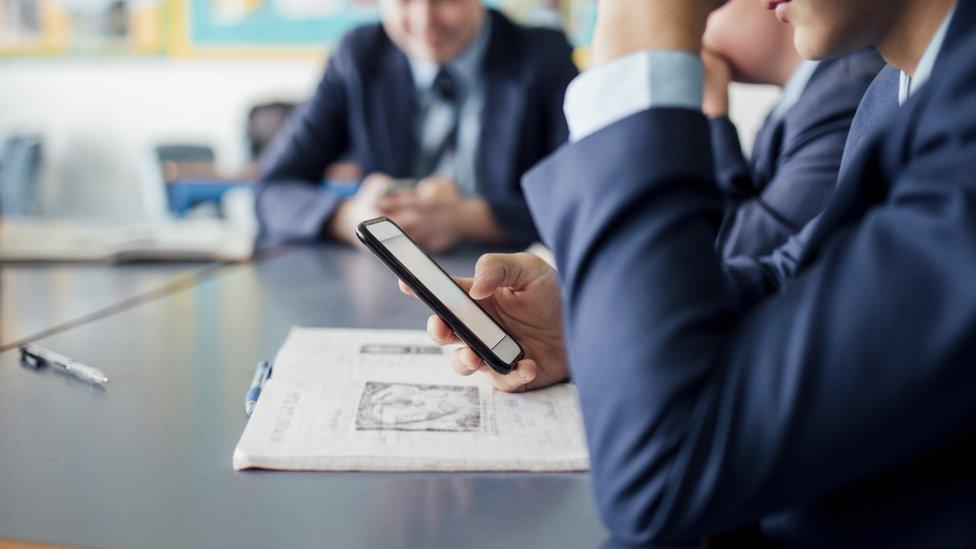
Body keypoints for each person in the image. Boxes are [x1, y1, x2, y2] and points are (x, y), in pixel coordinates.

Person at [405, 0, 976, 544]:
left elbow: (661, 477)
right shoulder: (896, 93)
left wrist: (642, 40)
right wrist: (585, 323)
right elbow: (794, 278)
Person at [255, 0, 578, 251]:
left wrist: (470, 219)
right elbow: (272, 189)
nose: (425, 22)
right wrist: (352, 219)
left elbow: (581, 199)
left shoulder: (544, 56)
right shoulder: (359, 57)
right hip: (382, 286)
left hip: (510, 282)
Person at [701, 0, 883, 258]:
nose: (696, 38)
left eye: (710, 6)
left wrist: (712, 114)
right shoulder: (788, 112)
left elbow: (735, 252)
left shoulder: (847, 94)